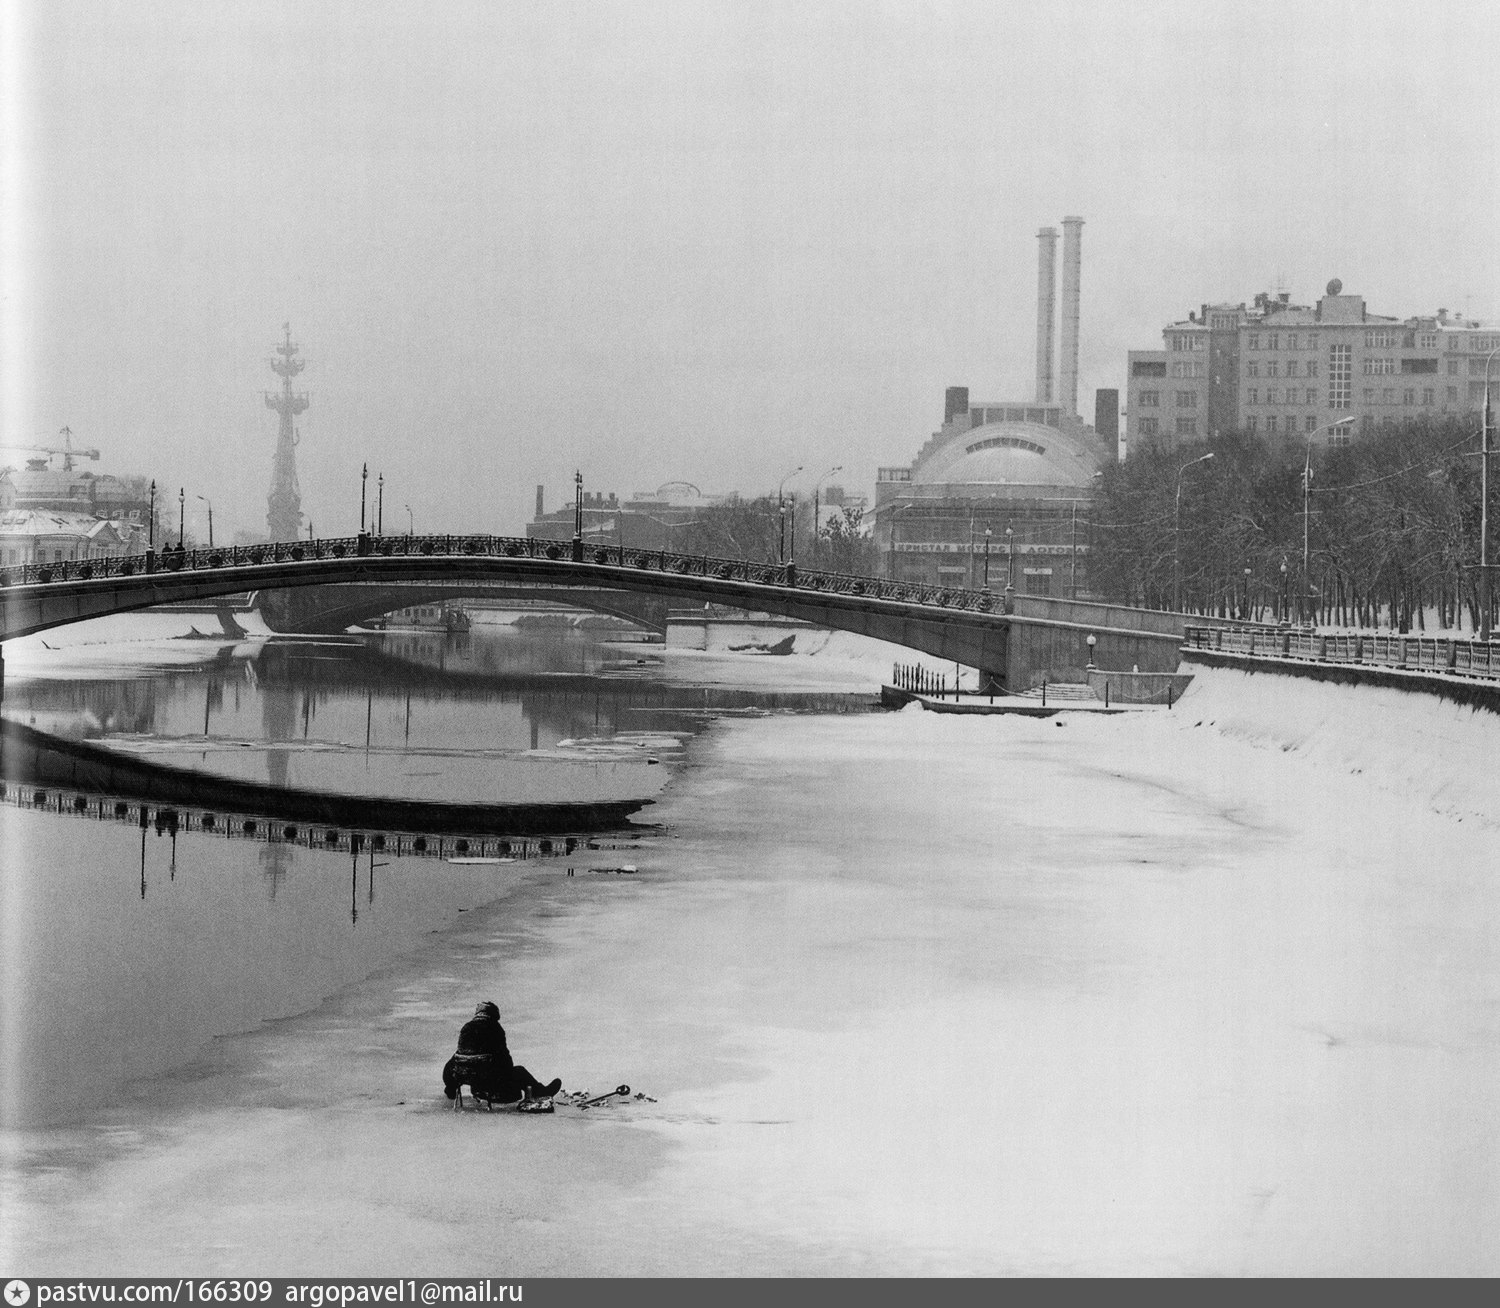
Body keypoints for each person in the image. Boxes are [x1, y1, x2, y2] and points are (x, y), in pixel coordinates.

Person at [442, 1001, 561, 1104]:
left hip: (467, 1078)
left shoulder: (466, 1028)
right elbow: (505, 1061)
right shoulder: (496, 1029)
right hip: (489, 1080)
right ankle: (541, 1092)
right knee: (520, 1071)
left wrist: (451, 1084)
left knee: (457, 1060)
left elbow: (459, 1057)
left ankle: (452, 1090)